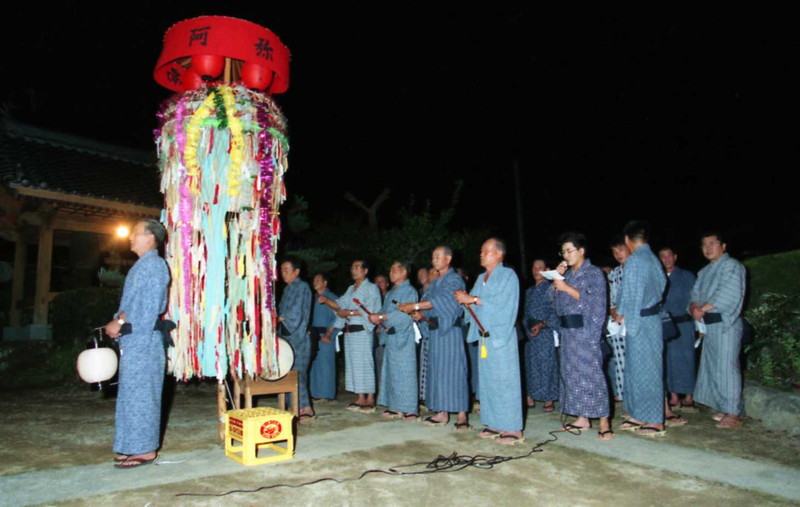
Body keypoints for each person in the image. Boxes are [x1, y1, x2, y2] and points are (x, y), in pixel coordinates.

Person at [104, 219, 170, 468]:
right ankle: (130, 446)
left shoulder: (155, 265)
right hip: (134, 340)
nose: (130, 237)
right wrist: (118, 323)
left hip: (144, 340)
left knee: (143, 396)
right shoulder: (142, 266)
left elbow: (147, 308)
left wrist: (119, 322)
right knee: (131, 395)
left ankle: (145, 450)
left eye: (135, 233)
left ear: (150, 238)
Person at [455, 238, 523, 444]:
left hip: (501, 337)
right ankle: (494, 422)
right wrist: (464, 301)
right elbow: (473, 304)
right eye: (481, 251)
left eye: (486, 251)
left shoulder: (508, 276)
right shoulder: (480, 278)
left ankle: (513, 427)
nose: (482, 254)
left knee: (506, 382)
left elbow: (505, 305)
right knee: (488, 382)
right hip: (484, 338)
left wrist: (473, 300)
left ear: (499, 255)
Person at [553, 232, 614, 441]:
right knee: (572, 376)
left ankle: (604, 421)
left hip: (586, 332)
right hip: (568, 333)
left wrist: (567, 288)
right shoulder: (566, 276)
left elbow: (596, 304)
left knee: (593, 375)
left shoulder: (594, 273)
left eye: (569, 250)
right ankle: (582, 418)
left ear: (581, 251)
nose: (566, 255)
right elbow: (554, 303)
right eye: (563, 252)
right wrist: (556, 278)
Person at [400, 247, 469, 429]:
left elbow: (446, 301)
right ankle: (442, 412)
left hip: (451, 332)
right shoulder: (435, 282)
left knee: (456, 371)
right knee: (438, 372)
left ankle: (462, 415)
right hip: (437, 332)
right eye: (433, 256)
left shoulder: (454, 279)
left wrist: (415, 305)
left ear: (448, 258)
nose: (434, 259)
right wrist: (420, 314)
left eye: (438, 256)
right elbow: (428, 306)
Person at [616, 221, 671, 437]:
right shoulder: (652, 258)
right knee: (638, 369)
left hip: (642, 320)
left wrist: (625, 315)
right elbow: (662, 286)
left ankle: (656, 420)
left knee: (649, 370)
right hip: (649, 317)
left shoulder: (636, 260)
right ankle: (639, 414)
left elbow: (632, 293)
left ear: (628, 240)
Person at [690, 231, 746, 429]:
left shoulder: (732, 266)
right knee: (713, 367)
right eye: (704, 244)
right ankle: (725, 407)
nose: (708, 248)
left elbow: (729, 292)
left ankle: (733, 412)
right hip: (709, 325)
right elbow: (694, 293)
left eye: (712, 243)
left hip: (725, 324)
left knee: (727, 367)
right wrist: (694, 306)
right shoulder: (704, 272)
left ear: (723, 246)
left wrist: (702, 308)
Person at [327, 259, 381, 411]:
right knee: (353, 365)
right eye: (352, 267)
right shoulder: (351, 289)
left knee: (366, 364)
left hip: (362, 330)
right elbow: (340, 305)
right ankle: (360, 397)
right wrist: (326, 300)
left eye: (357, 267)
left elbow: (372, 310)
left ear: (365, 271)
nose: (354, 270)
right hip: (350, 331)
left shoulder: (372, 288)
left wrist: (349, 312)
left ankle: (370, 398)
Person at [369, 261, 419, 421]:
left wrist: (383, 317)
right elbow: (384, 311)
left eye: (394, 269)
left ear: (404, 272)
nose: (390, 272)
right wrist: (378, 319)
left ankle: (411, 408)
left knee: (406, 371)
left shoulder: (409, 290)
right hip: (390, 336)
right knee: (392, 371)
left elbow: (405, 314)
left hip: (403, 336)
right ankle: (395, 406)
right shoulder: (391, 292)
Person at [659, 247, 698, 411]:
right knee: (668, 360)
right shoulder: (658, 277)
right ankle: (674, 396)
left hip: (684, 322)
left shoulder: (686, 276)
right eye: (662, 257)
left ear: (675, 257)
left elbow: (694, 298)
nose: (666, 259)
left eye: (669, 256)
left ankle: (689, 395)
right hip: (666, 323)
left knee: (687, 358)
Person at [277, 259, 313, 420]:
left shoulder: (302, 286)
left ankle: (305, 408)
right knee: (288, 370)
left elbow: (295, 314)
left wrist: (279, 319)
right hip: (286, 336)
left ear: (296, 271)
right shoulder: (287, 289)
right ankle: (293, 406)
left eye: (286, 269)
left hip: (298, 336)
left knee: (298, 372)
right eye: (282, 270)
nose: (283, 273)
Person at [524, 259, 559, 412]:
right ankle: (531, 395)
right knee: (531, 364)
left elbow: (555, 311)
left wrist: (542, 324)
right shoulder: (529, 291)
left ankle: (549, 398)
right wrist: (527, 327)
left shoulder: (551, 289)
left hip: (545, 330)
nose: (537, 270)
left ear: (546, 270)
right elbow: (525, 313)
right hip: (530, 332)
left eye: (540, 267)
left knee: (547, 364)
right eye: (534, 267)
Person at [606, 235, 630, 402]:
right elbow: (611, 298)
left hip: (634, 321)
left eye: (621, 250)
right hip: (617, 324)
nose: (618, 254)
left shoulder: (637, 269)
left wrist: (625, 313)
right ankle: (623, 396)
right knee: (619, 361)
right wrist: (614, 311)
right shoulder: (614, 273)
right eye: (614, 252)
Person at [309, 273, 339, 402]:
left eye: (318, 280)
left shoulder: (331, 298)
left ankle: (326, 394)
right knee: (314, 364)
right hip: (314, 335)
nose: (315, 282)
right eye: (314, 279)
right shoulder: (312, 298)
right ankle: (315, 393)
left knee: (326, 365)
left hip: (327, 334)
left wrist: (329, 334)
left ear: (325, 283)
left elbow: (339, 316)